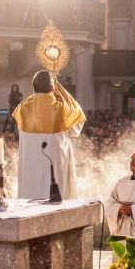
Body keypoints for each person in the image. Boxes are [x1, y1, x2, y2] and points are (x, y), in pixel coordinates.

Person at [13, 71, 86, 199]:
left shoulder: (22, 108)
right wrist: (60, 89)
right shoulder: (61, 109)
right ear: (52, 88)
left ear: (33, 87)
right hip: (56, 177)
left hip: (30, 178)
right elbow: (78, 122)